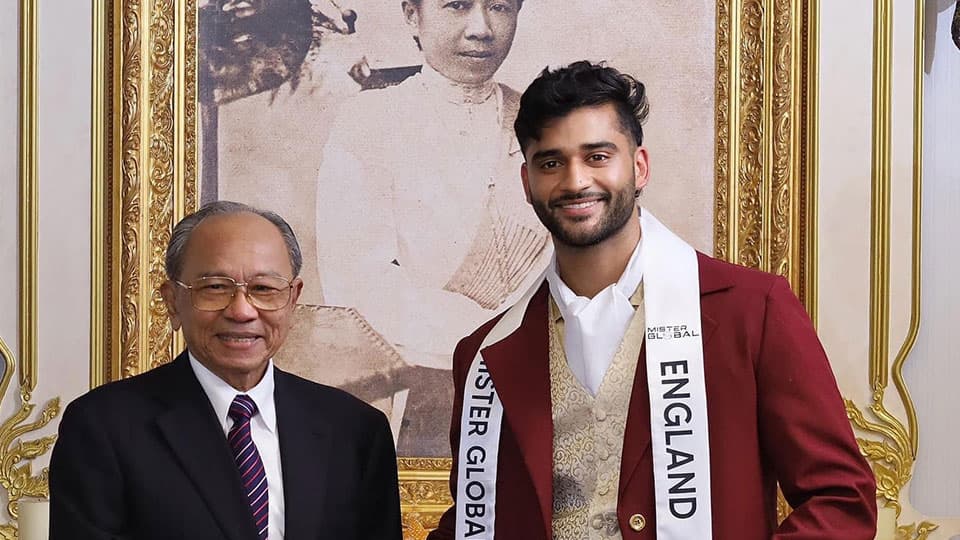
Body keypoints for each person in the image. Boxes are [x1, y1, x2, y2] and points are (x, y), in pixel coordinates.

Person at [427, 61, 877, 539]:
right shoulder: (484, 355)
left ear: (639, 167)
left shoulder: (751, 310)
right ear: (526, 183)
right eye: (551, 162)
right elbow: (474, 524)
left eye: (598, 156)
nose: (576, 181)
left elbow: (841, 500)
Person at [49, 201, 403, 540]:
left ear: (293, 299)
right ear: (173, 301)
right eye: (215, 288)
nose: (242, 311)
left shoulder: (356, 432)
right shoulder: (102, 428)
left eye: (263, 289)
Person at [314, 0, 547, 455]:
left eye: (499, 7)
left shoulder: (544, 124)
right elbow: (358, 286)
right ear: (411, 15)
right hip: (426, 390)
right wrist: (498, 338)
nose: (481, 28)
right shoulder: (369, 124)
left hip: (543, 387)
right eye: (456, 6)